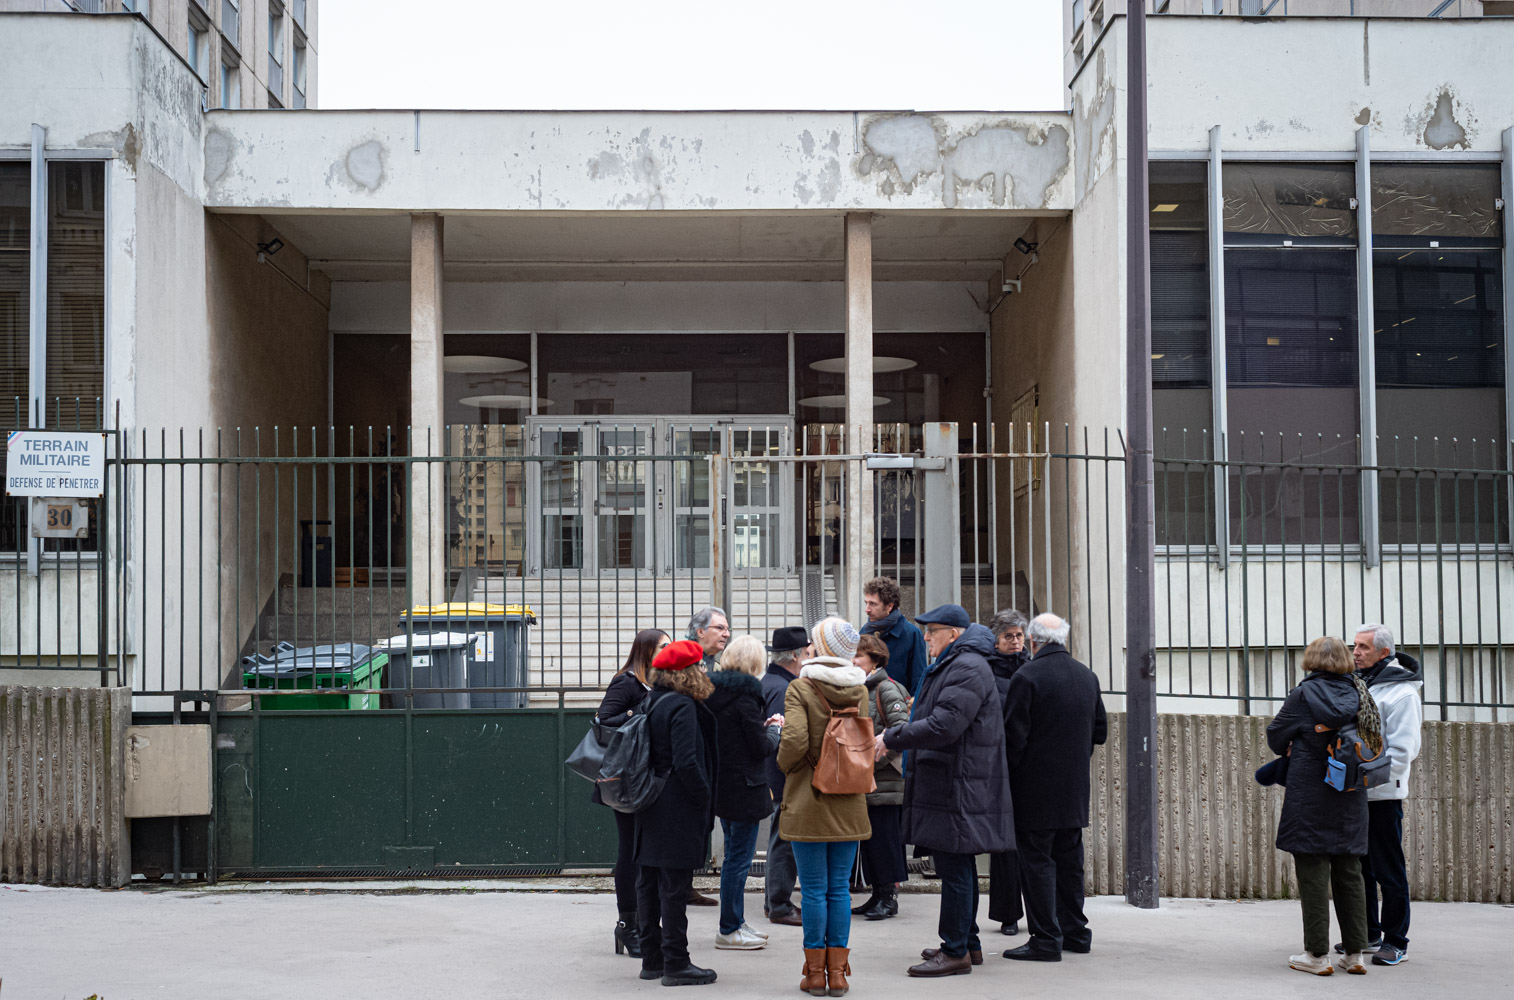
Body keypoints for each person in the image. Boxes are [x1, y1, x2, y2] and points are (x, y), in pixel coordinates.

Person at [877, 605, 1012, 978]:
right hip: (955, 780)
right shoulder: (960, 662)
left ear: (952, 633)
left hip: (959, 783)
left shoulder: (966, 666)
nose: (925, 639)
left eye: (931, 632)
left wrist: (892, 737)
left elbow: (946, 724)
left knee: (954, 867)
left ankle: (955, 951)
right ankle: (967, 943)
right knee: (959, 864)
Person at [1266, 636, 1376, 977]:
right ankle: (1355, 953)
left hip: (1310, 792)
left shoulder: (1303, 694)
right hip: (1349, 792)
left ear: (1311, 660)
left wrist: (1300, 740)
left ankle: (1316, 955)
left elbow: (1275, 736)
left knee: (1313, 870)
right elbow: (1373, 740)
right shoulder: (1361, 693)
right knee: (1349, 870)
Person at [1002, 612, 1106, 963]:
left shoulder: (1026, 676)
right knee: (1069, 862)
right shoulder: (1087, 677)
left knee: (1036, 863)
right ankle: (1076, 932)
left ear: (1032, 641)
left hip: (1034, 791)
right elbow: (1100, 732)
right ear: (1063, 639)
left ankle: (1045, 937)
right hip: (1074, 790)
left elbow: (1013, 739)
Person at [777, 617, 872, 997]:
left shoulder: (801, 686)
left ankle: (815, 975)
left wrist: (784, 763)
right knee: (840, 890)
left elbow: (796, 740)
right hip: (849, 799)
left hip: (808, 800)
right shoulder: (860, 690)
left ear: (819, 647)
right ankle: (840, 975)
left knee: (813, 891)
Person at [633, 639, 721, 987]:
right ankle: (676, 963)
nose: (704, 671)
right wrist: (704, 797)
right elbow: (687, 762)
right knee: (674, 886)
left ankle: (652, 960)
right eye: (700, 666)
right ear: (688, 672)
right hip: (677, 804)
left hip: (651, 799)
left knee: (650, 881)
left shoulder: (652, 700)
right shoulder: (682, 706)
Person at [1340, 624, 1422, 967]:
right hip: (1354, 792)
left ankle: (1396, 941)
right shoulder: (1358, 684)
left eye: (1363, 648)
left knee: (1389, 870)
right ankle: (1368, 934)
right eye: (1354, 646)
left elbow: (1405, 750)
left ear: (1383, 653)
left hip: (1383, 795)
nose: (1355, 652)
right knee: (1360, 870)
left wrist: (1369, 779)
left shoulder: (1401, 693)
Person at [595, 628, 670, 959]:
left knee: (644, 852)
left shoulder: (650, 682)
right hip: (625, 780)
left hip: (641, 777)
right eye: (663, 646)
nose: (669, 650)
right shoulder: (627, 681)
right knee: (629, 851)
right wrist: (635, 713)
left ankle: (644, 923)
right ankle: (628, 926)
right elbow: (603, 719)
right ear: (647, 650)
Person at [706, 635, 783, 951]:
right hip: (746, 789)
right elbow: (760, 747)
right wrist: (774, 727)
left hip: (722, 787)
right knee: (738, 860)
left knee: (733, 859)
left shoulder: (714, 693)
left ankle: (735, 922)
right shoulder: (747, 697)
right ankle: (729, 928)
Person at [851, 633, 910, 921]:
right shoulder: (862, 687)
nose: (853, 661)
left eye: (858, 656)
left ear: (874, 659)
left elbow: (901, 730)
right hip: (868, 780)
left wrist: (875, 758)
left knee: (886, 840)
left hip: (884, 781)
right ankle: (878, 894)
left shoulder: (885, 688)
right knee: (873, 841)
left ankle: (888, 897)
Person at [762, 625, 811, 927]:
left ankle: (775, 901)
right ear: (794, 656)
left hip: (773, 774)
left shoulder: (770, 682)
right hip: (782, 775)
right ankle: (779, 904)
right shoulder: (784, 689)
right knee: (784, 839)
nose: (808, 658)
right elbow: (785, 738)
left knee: (780, 837)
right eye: (806, 653)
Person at [984, 608, 1029, 937]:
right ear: (996, 640)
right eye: (1008, 636)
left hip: (1028, 763)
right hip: (999, 764)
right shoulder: (986, 671)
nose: (1015, 642)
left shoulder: (1031, 669)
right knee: (1004, 844)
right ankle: (1007, 913)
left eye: (1019, 636)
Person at [683, 606, 732, 907]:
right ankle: (679, 885)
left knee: (703, 824)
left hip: (709, 752)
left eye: (727, 629)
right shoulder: (684, 660)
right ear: (700, 631)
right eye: (720, 628)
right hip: (690, 752)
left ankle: (685, 884)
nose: (726, 633)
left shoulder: (714, 663)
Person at [861, 576, 929, 697]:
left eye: (872, 604)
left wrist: (911, 708)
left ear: (889, 606)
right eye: (866, 603)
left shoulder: (911, 634)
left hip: (899, 707)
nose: (867, 609)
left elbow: (918, 680)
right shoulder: (865, 632)